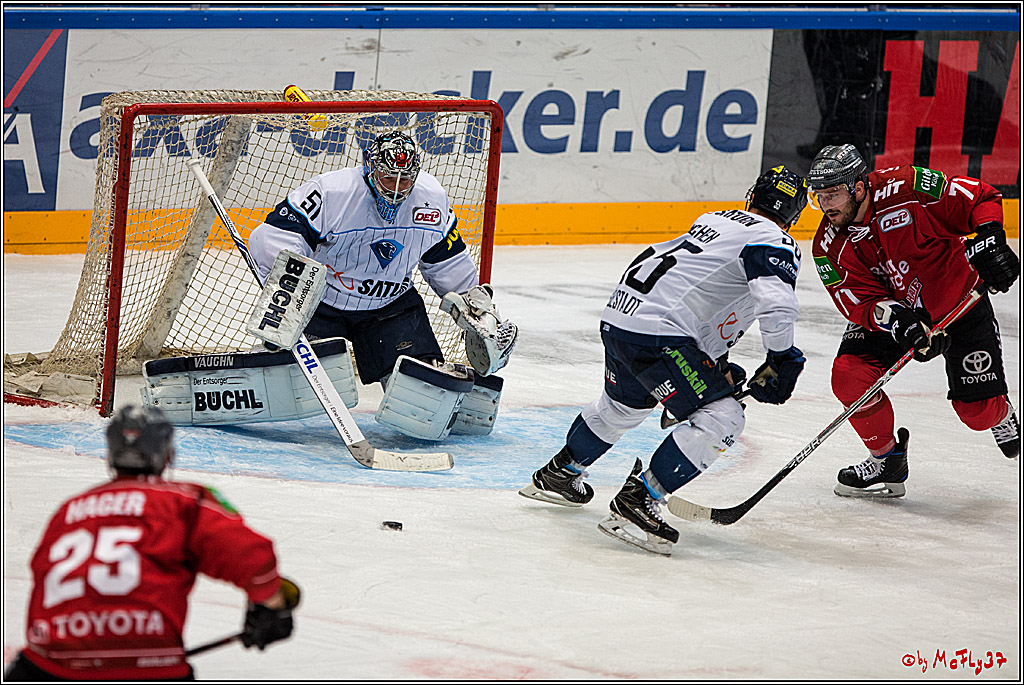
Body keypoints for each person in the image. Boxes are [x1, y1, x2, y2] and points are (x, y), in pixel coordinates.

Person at [519, 166, 809, 555]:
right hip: (659, 334)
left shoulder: (714, 221)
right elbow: (775, 303)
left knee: (621, 407)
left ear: (752, 197)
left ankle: (560, 473)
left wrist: (715, 364)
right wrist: (782, 357)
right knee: (723, 418)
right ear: (794, 214)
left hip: (621, 320)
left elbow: (702, 298)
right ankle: (639, 500)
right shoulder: (773, 240)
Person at [248, 130, 516, 440]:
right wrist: (291, 287)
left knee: (424, 398)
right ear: (370, 168)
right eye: (389, 178)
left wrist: (474, 308)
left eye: (406, 180)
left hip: (389, 307)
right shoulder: (332, 192)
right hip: (321, 303)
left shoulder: (432, 199)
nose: (397, 189)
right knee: (286, 380)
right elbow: (273, 237)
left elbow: (447, 261)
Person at [3, 405, 299, 681]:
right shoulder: (185, 502)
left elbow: (42, 569)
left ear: (111, 453)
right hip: (149, 661)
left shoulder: (70, 509)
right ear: (167, 454)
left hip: (51, 662)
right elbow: (252, 556)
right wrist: (271, 606)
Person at [807, 144, 1020, 499]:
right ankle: (886, 460)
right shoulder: (828, 245)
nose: (826, 205)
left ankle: (1001, 414)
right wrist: (898, 320)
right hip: (900, 316)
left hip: (958, 304)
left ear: (858, 187)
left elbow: (978, 197)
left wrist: (991, 237)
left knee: (978, 414)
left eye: (833, 194)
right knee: (849, 376)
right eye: (820, 196)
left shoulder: (908, 187)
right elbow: (858, 302)